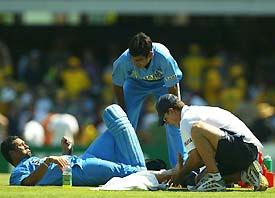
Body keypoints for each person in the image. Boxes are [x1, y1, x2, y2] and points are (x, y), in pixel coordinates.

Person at [0, 104, 150, 186]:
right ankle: (154, 173)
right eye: (21, 145)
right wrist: (48, 161)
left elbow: (56, 171)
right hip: (81, 170)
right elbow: (26, 183)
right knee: (133, 171)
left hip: (84, 158)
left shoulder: (32, 162)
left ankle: (144, 171)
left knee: (113, 114)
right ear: (13, 153)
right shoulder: (18, 172)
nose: (26, 145)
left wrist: (67, 153)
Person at [155, 94, 269, 191]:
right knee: (199, 180)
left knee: (197, 129)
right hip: (246, 151)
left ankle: (215, 178)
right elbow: (201, 156)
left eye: (165, 119)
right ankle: (245, 174)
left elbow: (196, 158)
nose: (168, 123)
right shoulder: (196, 111)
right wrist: (182, 170)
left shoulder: (186, 120)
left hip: (243, 149)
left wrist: (180, 173)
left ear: (171, 111)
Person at [112, 32, 187, 166]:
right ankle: (123, 165)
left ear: (150, 55)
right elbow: (117, 85)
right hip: (135, 84)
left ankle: (181, 167)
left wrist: (174, 113)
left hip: (163, 85)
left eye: (140, 60)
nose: (135, 63)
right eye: (133, 60)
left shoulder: (164, 58)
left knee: (174, 121)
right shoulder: (124, 60)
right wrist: (123, 109)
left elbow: (173, 88)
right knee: (123, 122)